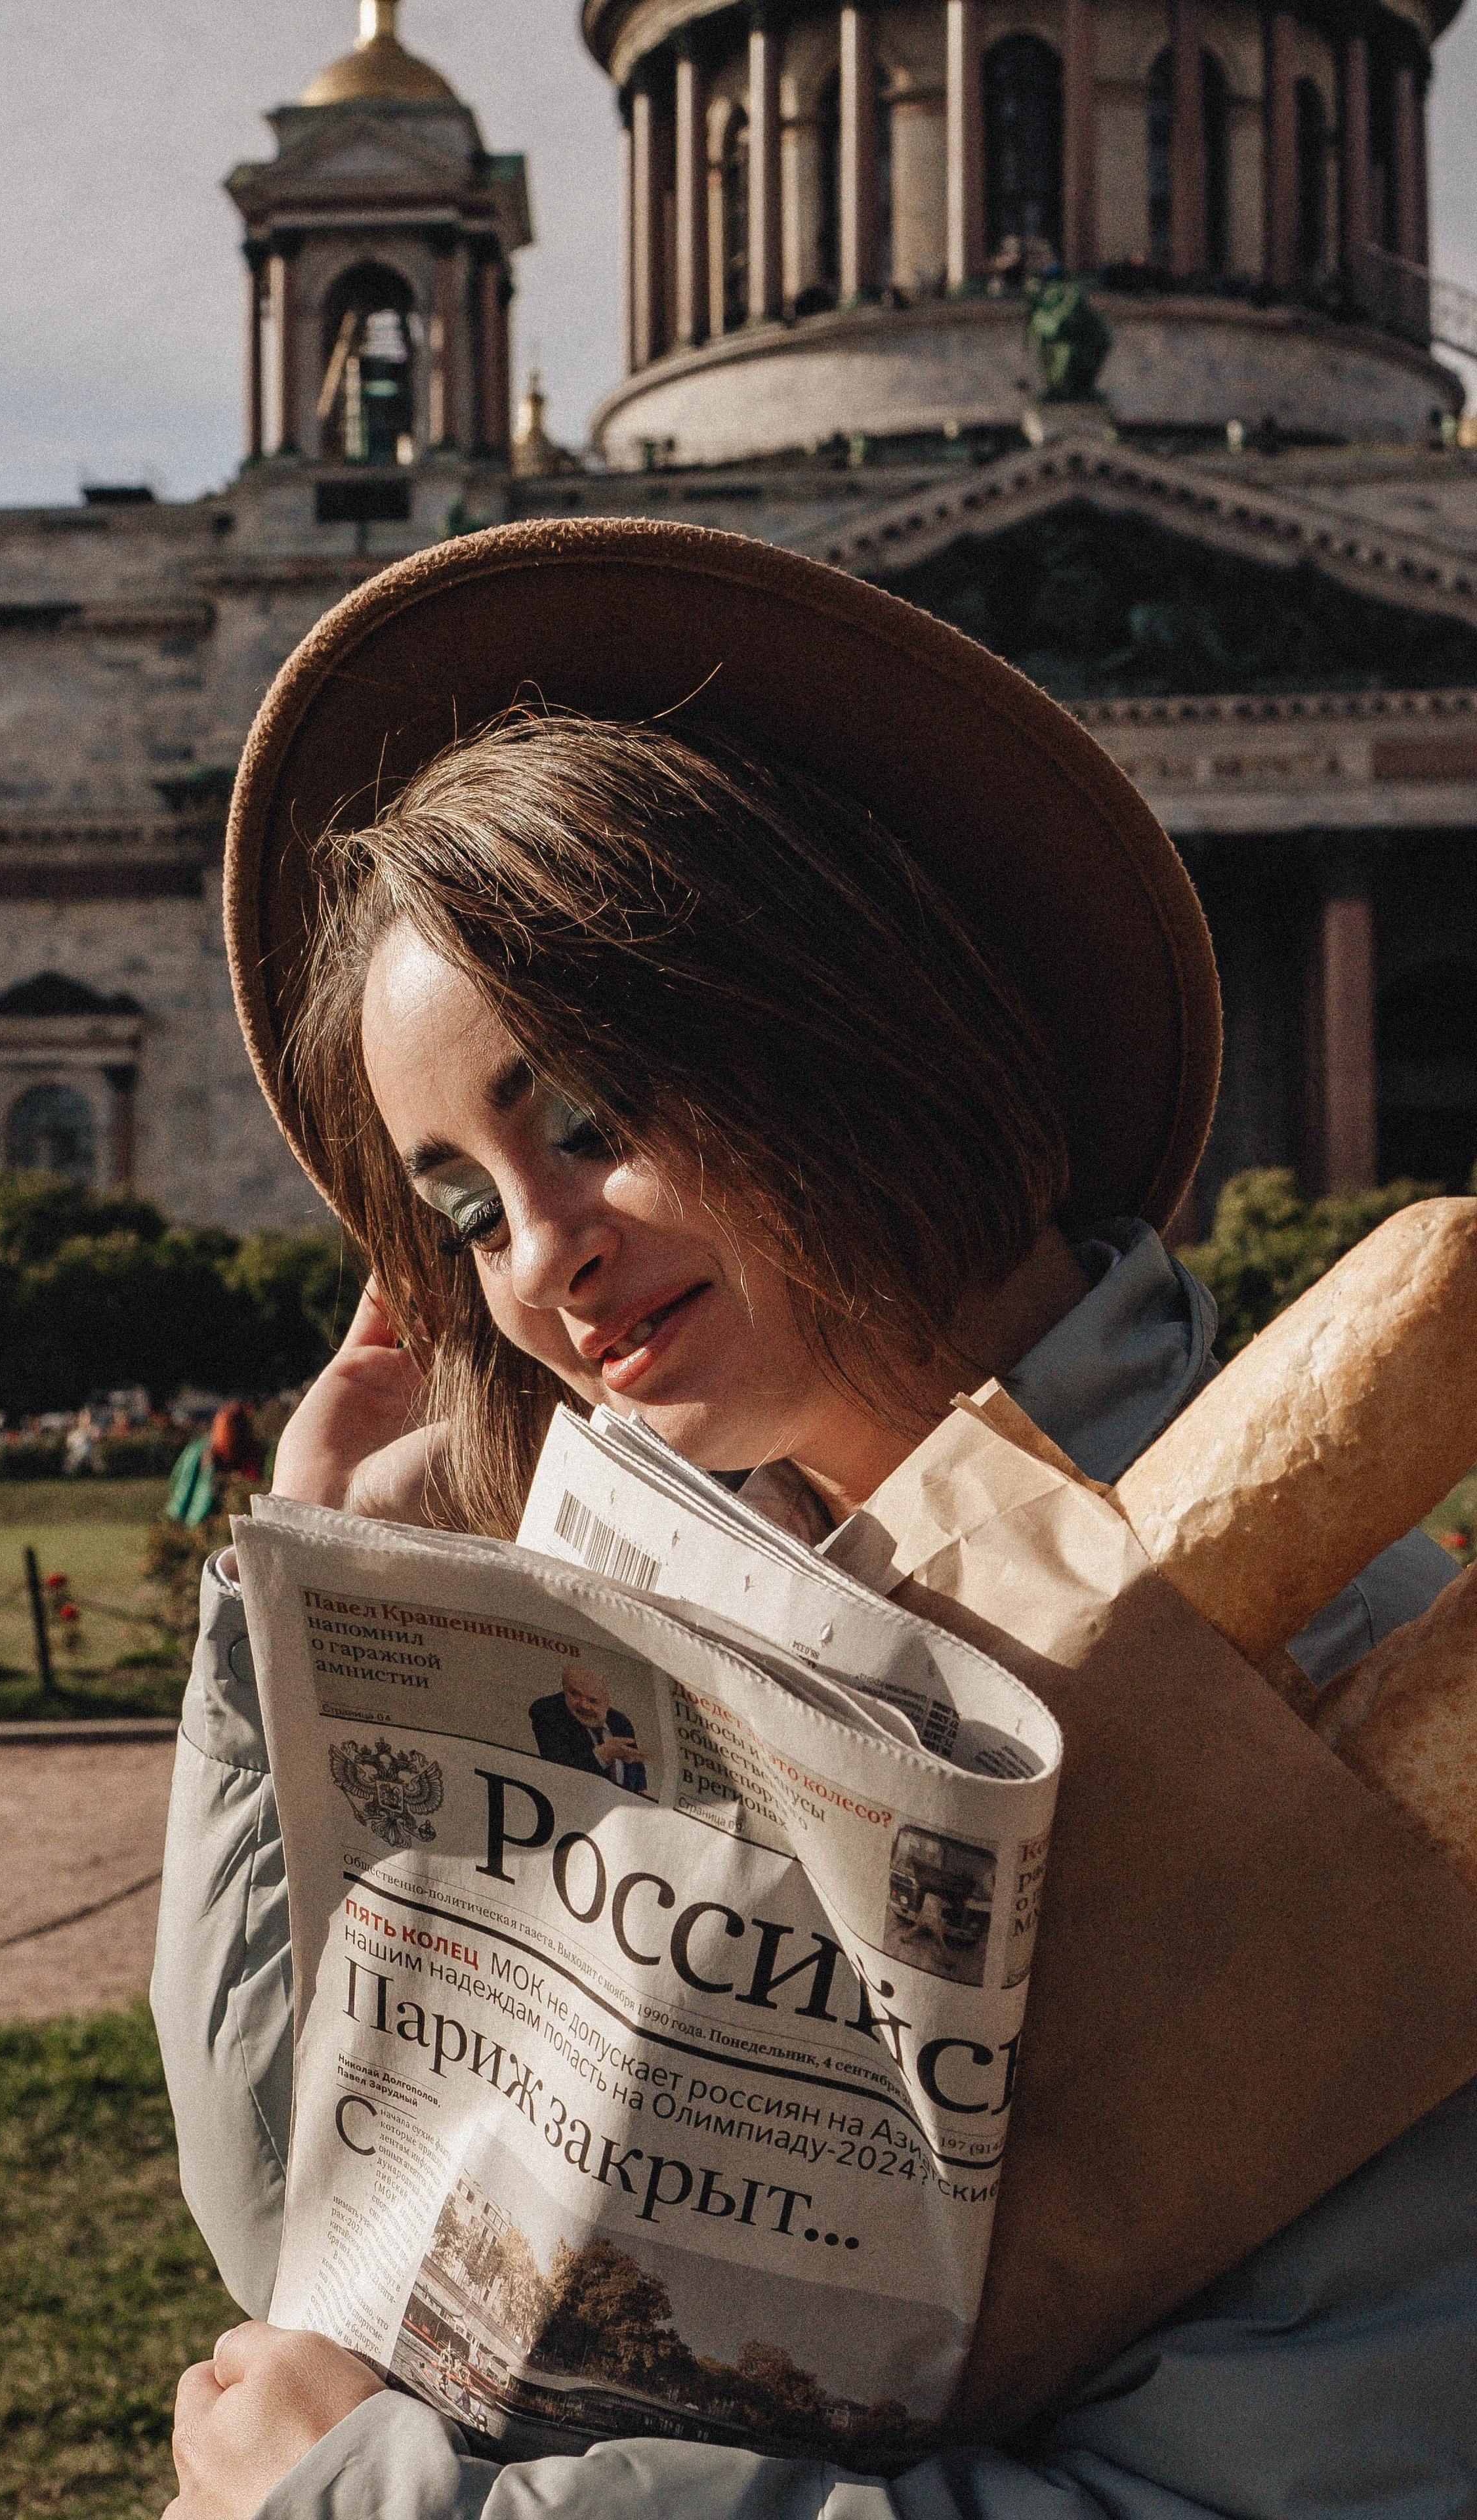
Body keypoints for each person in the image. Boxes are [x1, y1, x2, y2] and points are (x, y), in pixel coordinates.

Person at [152, 520, 1471, 2520]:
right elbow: (314, 2243)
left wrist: (374, 2500)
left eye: (587, 1114)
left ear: (838, 1006)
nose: (539, 1266)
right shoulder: (656, 1639)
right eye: (463, 1208)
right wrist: (302, 1611)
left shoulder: (1346, 1687)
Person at [528, 1662, 648, 1793]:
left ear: (606, 1702)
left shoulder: (620, 1721)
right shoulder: (547, 1711)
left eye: (593, 1700)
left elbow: (634, 1763)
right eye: (574, 1694)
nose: (584, 1705)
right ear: (564, 1688)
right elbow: (559, 1770)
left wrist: (642, 1789)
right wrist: (604, 1754)